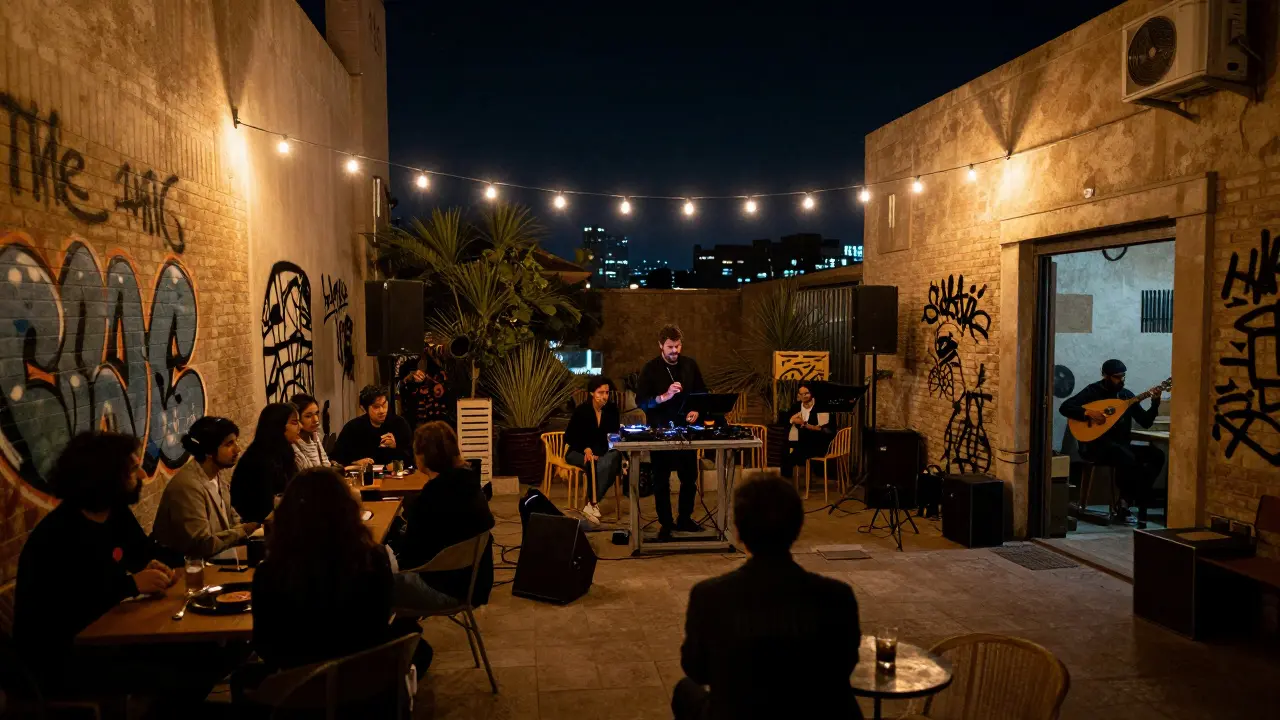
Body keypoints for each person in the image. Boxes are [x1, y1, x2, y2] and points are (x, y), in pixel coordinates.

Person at [14, 432, 235, 707]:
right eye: (132, 469)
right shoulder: (58, 534)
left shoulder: (114, 513)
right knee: (183, 669)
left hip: (108, 640)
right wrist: (131, 585)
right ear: (104, 477)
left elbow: (142, 551)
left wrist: (180, 562)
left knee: (209, 651)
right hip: (63, 659)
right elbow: (67, 605)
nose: (142, 474)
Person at [673, 473, 862, 720]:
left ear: (739, 532)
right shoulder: (838, 597)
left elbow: (697, 670)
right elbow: (844, 666)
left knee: (684, 691)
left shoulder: (709, 596)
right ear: (798, 527)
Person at [250, 466, 398, 669]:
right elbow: (381, 621)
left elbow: (264, 646)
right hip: (363, 682)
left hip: (297, 690)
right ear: (349, 510)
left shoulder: (269, 573)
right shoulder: (373, 559)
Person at [391, 421, 496, 614]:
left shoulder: (432, 496)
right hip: (475, 583)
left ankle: (396, 637)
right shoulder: (469, 483)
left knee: (368, 584)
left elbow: (409, 560)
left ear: (423, 456)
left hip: (444, 588)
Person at [1059, 358, 1164, 527]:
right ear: (1105, 376)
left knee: (1156, 455)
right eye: (1116, 377)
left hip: (1120, 447)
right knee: (1125, 456)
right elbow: (1065, 407)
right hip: (1094, 447)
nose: (1121, 380)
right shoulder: (1092, 391)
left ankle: (1132, 498)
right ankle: (1125, 505)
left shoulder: (1126, 396)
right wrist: (1088, 413)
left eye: (1123, 377)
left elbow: (1146, 422)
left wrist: (1155, 402)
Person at [636, 324, 707, 540]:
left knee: (689, 477)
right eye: (670, 347)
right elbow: (642, 401)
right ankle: (665, 523)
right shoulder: (650, 369)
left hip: (686, 430)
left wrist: (696, 409)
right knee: (661, 480)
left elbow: (703, 393)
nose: (675, 351)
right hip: (660, 430)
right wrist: (664, 397)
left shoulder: (690, 365)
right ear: (661, 346)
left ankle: (684, 518)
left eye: (677, 346)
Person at [153, 416, 260, 558]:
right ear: (209, 451)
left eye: (236, 442)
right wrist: (244, 530)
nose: (238, 449)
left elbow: (232, 519)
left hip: (218, 560)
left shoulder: (217, 475)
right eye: (229, 444)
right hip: (187, 570)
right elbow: (202, 545)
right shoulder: (188, 487)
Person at [230, 403, 302, 523]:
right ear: (278, 426)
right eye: (294, 423)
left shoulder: (285, 451)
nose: (300, 427)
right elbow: (264, 508)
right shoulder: (258, 459)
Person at [565, 375, 622, 523]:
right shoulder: (581, 411)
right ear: (592, 393)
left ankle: (591, 503)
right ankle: (593, 503)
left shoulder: (612, 410)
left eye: (607, 393)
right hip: (577, 451)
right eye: (600, 393)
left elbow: (611, 437)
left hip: (601, 453)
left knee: (613, 458)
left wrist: (598, 453)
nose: (604, 396)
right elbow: (570, 437)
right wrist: (586, 448)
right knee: (596, 464)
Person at [333, 384, 413, 467]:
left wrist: (395, 447)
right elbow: (336, 459)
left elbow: (411, 458)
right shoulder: (353, 428)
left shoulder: (399, 424)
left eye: (384, 405)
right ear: (364, 409)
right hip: (364, 476)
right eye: (376, 407)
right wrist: (355, 463)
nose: (382, 411)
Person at [779, 383, 833, 484]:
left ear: (811, 394)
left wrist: (805, 424)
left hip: (817, 442)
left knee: (790, 457)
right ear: (798, 395)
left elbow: (825, 429)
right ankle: (786, 482)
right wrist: (792, 420)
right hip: (800, 441)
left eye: (806, 393)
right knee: (784, 450)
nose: (804, 396)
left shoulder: (820, 407)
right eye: (801, 394)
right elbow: (785, 420)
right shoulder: (796, 407)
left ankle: (787, 484)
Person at [290, 392, 332, 469]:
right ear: (297, 418)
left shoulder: (314, 436)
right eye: (308, 416)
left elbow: (326, 466)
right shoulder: (292, 443)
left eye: (317, 414)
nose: (316, 420)